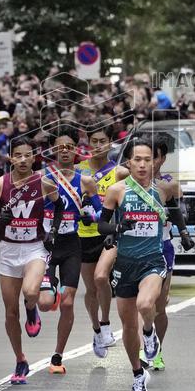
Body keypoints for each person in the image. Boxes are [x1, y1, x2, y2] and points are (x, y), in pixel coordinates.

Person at [97, 139, 188, 391]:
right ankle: (138, 374)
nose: (142, 164)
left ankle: (149, 333)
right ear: (128, 162)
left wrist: (183, 232)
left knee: (146, 305)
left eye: (147, 159)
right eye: (137, 159)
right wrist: (116, 230)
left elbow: (176, 212)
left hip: (153, 260)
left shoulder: (163, 190)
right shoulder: (117, 191)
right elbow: (101, 225)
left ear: (154, 162)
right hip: (125, 262)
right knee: (127, 326)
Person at [0, 135, 60, 384]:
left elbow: (60, 205)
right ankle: (20, 359)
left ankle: (32, 307)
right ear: (10, 158)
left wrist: (52, 231)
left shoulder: (44, 182)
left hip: (34, 247)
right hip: (8, 250)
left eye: (28, 155)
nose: (23, 160)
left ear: (34, 157)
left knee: (31, 290)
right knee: (10, 311)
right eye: (18, 155)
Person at [42, 126, 98, 375]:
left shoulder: (85, 181)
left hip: (71, 244)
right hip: (45, 245)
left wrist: (88, 213)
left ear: (76, 149)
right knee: (44, 302)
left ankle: (57, 355)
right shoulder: (41, 177)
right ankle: (35, 304)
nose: (65, 151)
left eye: (69, 147)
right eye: (60, 147)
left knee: (67, 303)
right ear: (53, 149)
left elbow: (95, 213)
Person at [76, 125, 120, 357]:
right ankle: (96, 329)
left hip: (106, 234)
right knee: (91, 287)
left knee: (101, 278)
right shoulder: (78, 171)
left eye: (103, 140)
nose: (98, 145)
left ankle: (105, 323)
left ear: (110, 142)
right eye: (94, 141)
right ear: (88, 143)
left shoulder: (119, 172)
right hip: (83, 235)